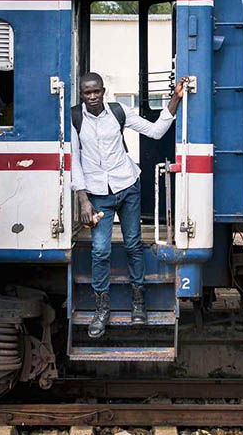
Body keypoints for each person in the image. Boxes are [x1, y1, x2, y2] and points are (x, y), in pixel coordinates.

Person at [71, 72, 184, 339]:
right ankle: (101, 310)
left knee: (133, 244)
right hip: (98, 195)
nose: (92, 97)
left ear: (103, 90)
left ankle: (138, 304)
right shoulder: (75, 118)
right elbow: (74, 159)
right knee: (100, 251)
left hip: (128, 186)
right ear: (82, 95)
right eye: (87, 93)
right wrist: (82, 197)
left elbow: (156, 131)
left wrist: (175, 99)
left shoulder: (118, 111)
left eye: (96, 91)